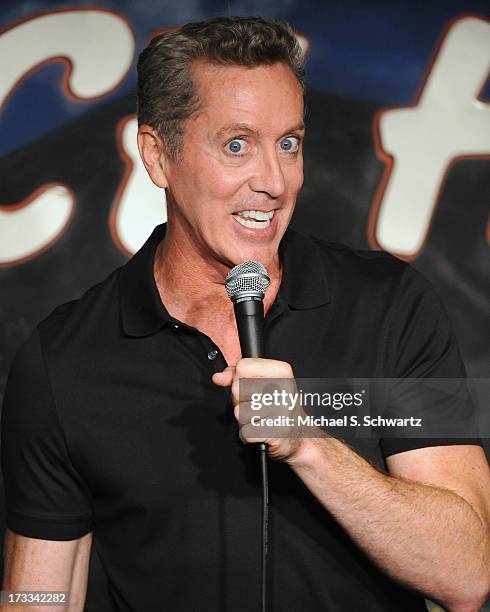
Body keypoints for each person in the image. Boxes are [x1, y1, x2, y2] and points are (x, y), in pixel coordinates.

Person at [1, 16, 489, 612]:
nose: (274, 181)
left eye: (289, 143)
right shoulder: (66, 359)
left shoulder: (388, 305)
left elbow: (467, 574)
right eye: (237, 145)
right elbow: (39, 595)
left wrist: (310, 445)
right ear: (158, 156)